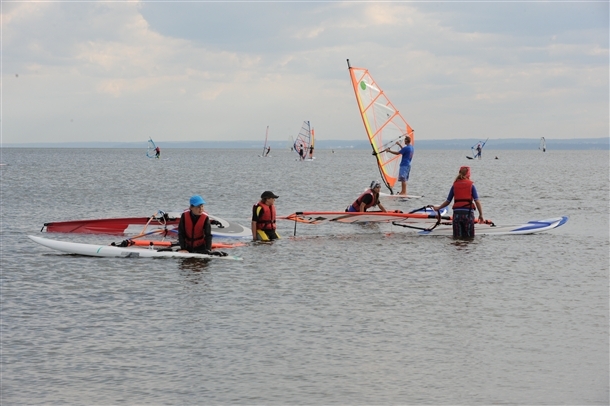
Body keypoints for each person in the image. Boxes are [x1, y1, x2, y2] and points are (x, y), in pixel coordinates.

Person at [433, 166, 484, 239]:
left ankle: (457, 245)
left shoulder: (454, 185)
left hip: (457, 214)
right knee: (469, 238)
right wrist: (481, 215)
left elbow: (448, 201)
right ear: (468, 174)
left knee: (457, 237)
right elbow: (477, 201)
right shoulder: (471, 185)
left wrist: (439, 208)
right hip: (468, 214)